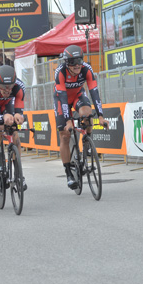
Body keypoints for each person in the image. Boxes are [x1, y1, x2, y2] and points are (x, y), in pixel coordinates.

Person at [54, 45, 109, 190]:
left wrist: (101, 116)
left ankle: (87, 142)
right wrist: (68, 120)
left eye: (79, 60)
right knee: (65, 135)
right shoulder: (60, 72)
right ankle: (68, 174)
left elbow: (94, 92)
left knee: (87, 113)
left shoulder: (86, 68)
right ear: (66, 62)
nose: (77, 65)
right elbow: (64, 98)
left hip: (78, 95)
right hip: (62, 99)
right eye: (73, 61)